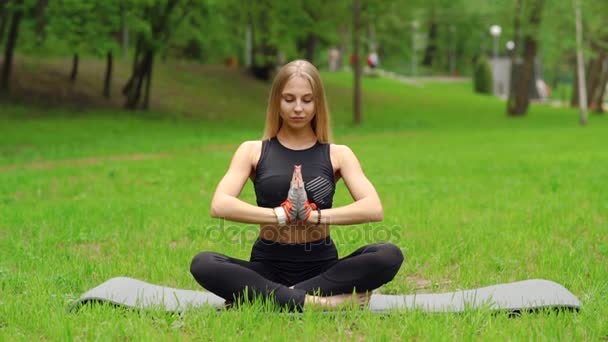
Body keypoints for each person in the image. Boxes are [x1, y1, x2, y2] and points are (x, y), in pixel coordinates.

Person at [190, 60, 403, 311]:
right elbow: (220, 204)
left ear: (318, 103)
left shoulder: (338, 154)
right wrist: (279, 215)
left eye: (307, 100)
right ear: (277, 102)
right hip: (266, 267)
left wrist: (315, 217)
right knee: (203, 263)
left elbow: (373, 208)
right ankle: (319, 304)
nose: (298, 108)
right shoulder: (252, 151)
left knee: (389, 254)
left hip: (322, 270)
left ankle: (272, 298)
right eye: (289, 99)